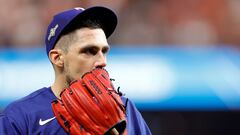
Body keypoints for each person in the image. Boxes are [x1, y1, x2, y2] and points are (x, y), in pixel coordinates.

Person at [0, 6, 152, 135]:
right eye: (89, 51)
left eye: (104, 51)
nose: (102, 61)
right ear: (57, 58)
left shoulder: (124, 109)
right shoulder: (20, 117)